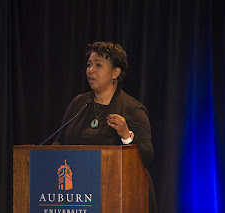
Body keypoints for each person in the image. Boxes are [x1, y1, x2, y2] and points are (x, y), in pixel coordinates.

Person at [53, 41, 157, 213]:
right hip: (80, 197)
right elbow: (59, 142)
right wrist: (50, 161)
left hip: (121, 198)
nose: (90, 70)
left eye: (98, 65)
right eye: (89, 65)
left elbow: (147, 157)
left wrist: (127, 136)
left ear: (116, 72)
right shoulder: (78, 104)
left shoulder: (133, 110)